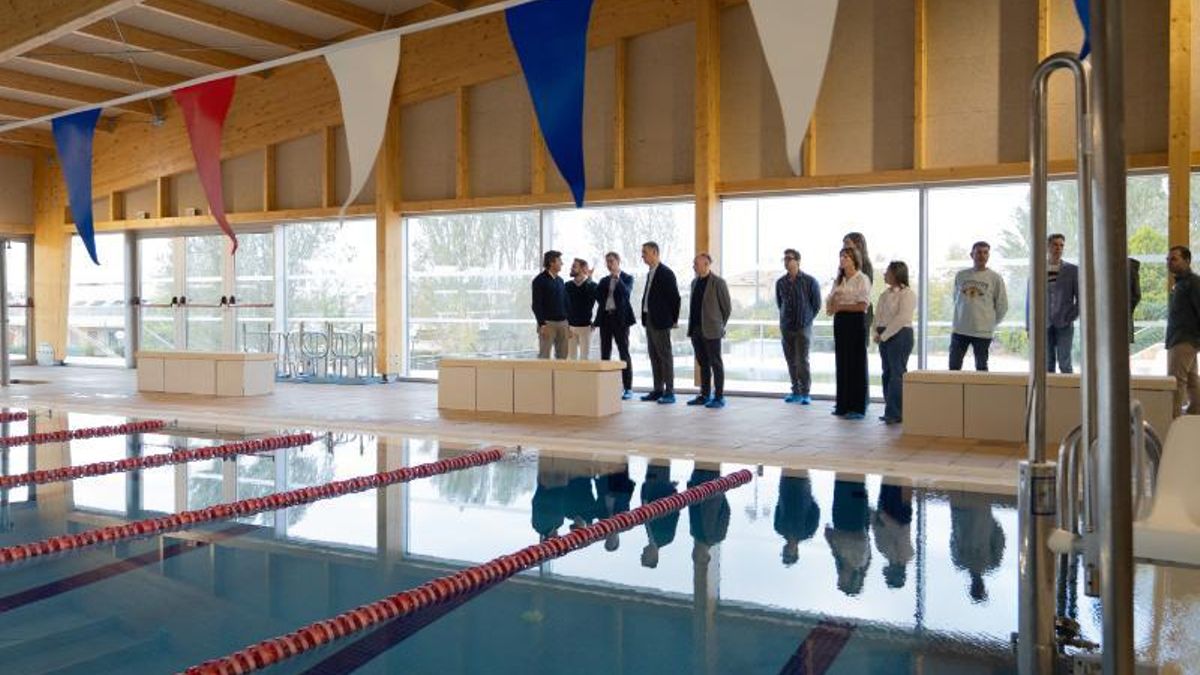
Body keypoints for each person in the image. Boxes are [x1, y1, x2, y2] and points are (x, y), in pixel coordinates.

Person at [826, 247, 871, 419]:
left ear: (854, 259)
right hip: (840, 321)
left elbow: (863, 305)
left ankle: (858, 407)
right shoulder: (839, 280)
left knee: (856, 363)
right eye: (841, 256)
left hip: (855, 321)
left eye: (846, 256)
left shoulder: (862, 279)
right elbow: (830, 305)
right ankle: (842, 404)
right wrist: (834, 303)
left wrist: (841, 305)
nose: (842, 259)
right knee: (842, 362)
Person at [949, 241, 1008, 371]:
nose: (982, 255)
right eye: (979, 252)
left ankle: (983, 392)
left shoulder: (995, 278)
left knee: (981, 368)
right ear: (972, 255)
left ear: (988, 256)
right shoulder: (961, 275)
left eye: (985, 252)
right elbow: (956, 300)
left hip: (982, 332)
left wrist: (990, 322)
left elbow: (1002, 305)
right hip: (960, 330)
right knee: (953, 367)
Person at [1027, 234, 1080, 373]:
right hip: (1043, 323)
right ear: (1047, 246)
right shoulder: (1037, 269)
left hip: (1064, 322)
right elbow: (1030, 300)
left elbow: (1081, 298)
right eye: (1055, 245)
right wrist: (1029, 326)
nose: (1058, 248)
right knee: (1046, 365)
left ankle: (1069, 394)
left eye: (1061, 245)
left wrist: (1071, 316)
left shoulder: (1072, 270)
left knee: (1065, 363)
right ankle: (1048, 394)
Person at [776, 248, 822, 404]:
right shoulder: (780, 282)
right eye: (785, 259)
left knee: (802, 360)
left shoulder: (810, 281)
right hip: (786, 327)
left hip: (803, 327)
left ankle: (805, 393)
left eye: (790, 258)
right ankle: (795, 390)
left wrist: (806, 319)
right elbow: (780, 304)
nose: (787, 261)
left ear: (798, 261)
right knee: (791, 360)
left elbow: (816, 305)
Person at [686, 253, 732, 409]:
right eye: (694, 264)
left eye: (696, 264)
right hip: (696, 330)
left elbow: (727, 308)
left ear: (706, 264)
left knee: (716, 363)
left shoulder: (718, 283)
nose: (693, 266)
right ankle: (704, 394)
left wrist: (719, 325)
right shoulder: (694, 283)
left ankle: (719, 396)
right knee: (703, 363)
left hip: (712, 330)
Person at [874, 261, 916, 424]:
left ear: (896, 274)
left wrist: (884, 335)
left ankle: (896, 412)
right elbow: (878, 316)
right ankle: (890, 409)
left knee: (897, 374)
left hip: (900, 335)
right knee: (887, 372)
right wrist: (876, 332)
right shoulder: (885, 294)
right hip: (884, 335)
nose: (885, 274)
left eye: (887, 272)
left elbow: (902, 318)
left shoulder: (907, 294)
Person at [640, 242, 681, 404]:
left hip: (661, 321)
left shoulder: (666, 273)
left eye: (645, 252)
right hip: (649, 319)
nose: (642, 256)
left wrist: (673, 320)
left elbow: (675, 299)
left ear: (655, 253)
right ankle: (658, 390)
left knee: (664, 356)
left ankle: (669, 392)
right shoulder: (650, 272)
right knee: (653, 356)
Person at [949, 492, 1006, 603]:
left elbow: (954, 537)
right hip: (971, 512)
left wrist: (989, 522)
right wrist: (989, 522)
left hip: (968, 513)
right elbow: (999, 538)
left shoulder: (960, 561)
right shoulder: (991, 562)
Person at [595, 252, 636, 400]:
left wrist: (617, 279)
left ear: (618, 261)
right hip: (606, 319)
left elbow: (626, 293)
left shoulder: (627, 278)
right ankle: (606, 387)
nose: (609, 264)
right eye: (607, 262)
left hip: (621, 321)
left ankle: (628, 388)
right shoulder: (604, 280)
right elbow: (598, 297)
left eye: (611, 261)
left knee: (623, 352)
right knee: (605, 353)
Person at [1166, 246, 1200, 415]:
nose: (1169, 263)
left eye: (1174, 259)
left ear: (1187, 261)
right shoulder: (1180, 284)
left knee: (1175, 383)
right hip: (1182, 339)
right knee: (1192, 382)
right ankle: (1195, 417)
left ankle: (1173, 422)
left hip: (1184, 340)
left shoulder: (1193, 283)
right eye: (1168, 259)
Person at [825, 476, 871, 596]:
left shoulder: (840, 562)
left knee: (840, 486)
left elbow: (836, 544)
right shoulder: (859, 561)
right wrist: (836, 538)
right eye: (842, 581)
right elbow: (861, 539)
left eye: (839, 580)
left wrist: (830, 539)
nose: (840, 578)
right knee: (856, 485)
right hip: (854, 519)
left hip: (840, 520)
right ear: (851, 579)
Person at [872, 481, 914, 589]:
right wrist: (880, 517)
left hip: (901, 514)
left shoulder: (908, 555)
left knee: (893, 480)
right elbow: (894, 532)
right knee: (891, 480)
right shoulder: (889, 552)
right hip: (890, 513)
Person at [774, 469, 821, 566]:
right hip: (802, 491)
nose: (786, 551)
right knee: (801, 466)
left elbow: (778, 508)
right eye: (788, 554)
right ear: (796, 552)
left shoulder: (779, 528)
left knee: (787, 464)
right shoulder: (807, 532)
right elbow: (816, 512)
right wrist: (808, 500)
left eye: (784, 553)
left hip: (786, 490)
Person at [640, 461, 680, 568]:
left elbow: (645, 511)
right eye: (644, 556)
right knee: (660, 459)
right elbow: (674, 513)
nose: (642, 552)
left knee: (653, 460)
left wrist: (644, 490)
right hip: (660, 486)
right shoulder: (666, 538)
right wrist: (671, 491)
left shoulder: (651, 536)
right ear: (654, 556)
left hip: (651, 486)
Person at [531, 250, 569, 359]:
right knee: (544, 356)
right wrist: (542, 324)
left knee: (563, 357)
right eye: (559, 261)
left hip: (563, 324)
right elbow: (536, 304)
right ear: (552, 262)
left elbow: (566, 302)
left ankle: (561, 377)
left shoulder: (560, 281)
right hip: (547, 324)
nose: (562, 263)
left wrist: (568, 323)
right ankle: (543, 377)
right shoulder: (539, 280)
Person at [594, 464, 635, 552]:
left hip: (605, 482)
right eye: (611, 541)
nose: (609, 538)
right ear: (617, 539)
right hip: (619, 483)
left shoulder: (601, 519)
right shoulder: (625, 523)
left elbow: (598, 500)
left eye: (608, 541)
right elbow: (626, 499)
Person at [844, 232, 875, 345]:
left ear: (858, 245)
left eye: (847, 243)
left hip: (860, 313)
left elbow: (860, 291)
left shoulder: (865, 265)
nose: (844, 247)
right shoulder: (846, 264)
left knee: (858, 352)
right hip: (846, 313)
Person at [565, 258, 598, 360]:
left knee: (585, 357)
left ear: (583, 269)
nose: (571, 268)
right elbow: (563, 305)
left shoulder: (592, 285)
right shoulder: (567, 285)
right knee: (570, 357)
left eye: (574, 266)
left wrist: (589, 277)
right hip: (570, 327)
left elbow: (593, 299)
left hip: (586, 327)